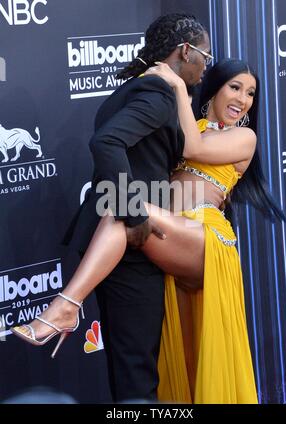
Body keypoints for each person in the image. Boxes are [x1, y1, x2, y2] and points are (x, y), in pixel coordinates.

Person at [12, 57, 285, 403]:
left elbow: (193, 148)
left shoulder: (243, 137)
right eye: (235, 87)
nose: (243, 98)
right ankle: (67, 308)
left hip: (208, 242)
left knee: (124, 211)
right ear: (215, 89)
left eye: (250, 93)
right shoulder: (189, 123)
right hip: (175, 237)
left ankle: (66, 307)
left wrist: (176, 86)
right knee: (185, 361)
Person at [11, 14, 213, 403]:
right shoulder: (157, 94)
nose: (207, 65)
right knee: (137, 371)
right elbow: (106, 143)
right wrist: (134, 213)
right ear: (184, 51)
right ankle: (65, 309)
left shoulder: (135, 86)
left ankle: (66, 308)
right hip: (131, 240)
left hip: (113, 240)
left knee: (128, 365)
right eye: (205, 54)